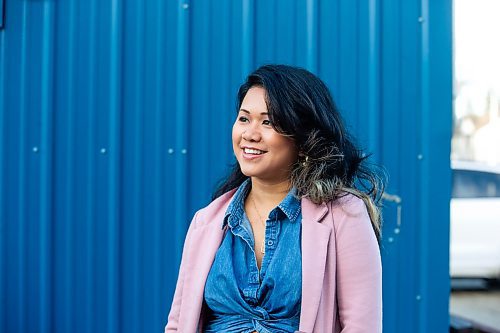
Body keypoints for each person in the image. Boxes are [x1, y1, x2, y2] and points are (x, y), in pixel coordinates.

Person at [165, 64, 384, 333]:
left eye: (267, 122)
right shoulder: (207, 222)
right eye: (244, 119)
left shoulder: (345, 215)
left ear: (304, 140)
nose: (250, 134)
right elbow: (177, 325)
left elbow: (362, 327)